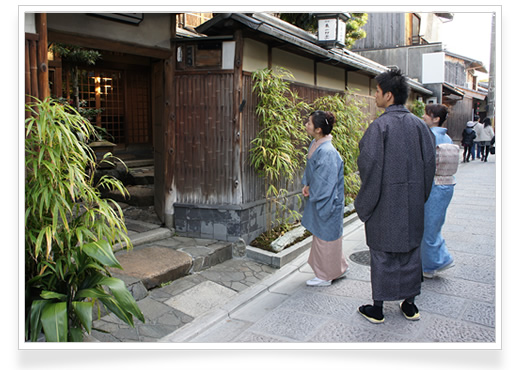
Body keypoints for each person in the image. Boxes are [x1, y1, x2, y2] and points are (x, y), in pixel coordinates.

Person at [354, 69, 436, 323]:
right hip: (411, 201)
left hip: (384, 202)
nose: (375, 96)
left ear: (389, 95)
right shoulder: (420, 126)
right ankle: (409, 305)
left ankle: (378, 308)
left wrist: (366, 202)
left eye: (377, 92)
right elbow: (430, 163)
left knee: (382, 253)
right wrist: (419, 195)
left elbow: (368, 165)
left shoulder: (379, 126)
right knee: (411, 251)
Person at [301, 110, 348, 287]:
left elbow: (325, 181)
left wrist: (313, 191)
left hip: (328, 199)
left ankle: (325, 275)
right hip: (321, 195)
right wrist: (308, 185)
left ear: (319, 129)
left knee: (325, 237)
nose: (306, 125)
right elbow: (313, 173)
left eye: (309, 123)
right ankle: (338, 267)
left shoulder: (327, 151)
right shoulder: (316, 144)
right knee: (325, 236)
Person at [421, 104, 459, 279]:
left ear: (436, 119)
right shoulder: (447, 138)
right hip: (446, 184)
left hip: (433, 186)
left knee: (427, 227)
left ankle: (433, 263)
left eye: (427, 114)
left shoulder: (429, 136)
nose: (423, 116)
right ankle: (436, 259)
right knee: (435, 225)